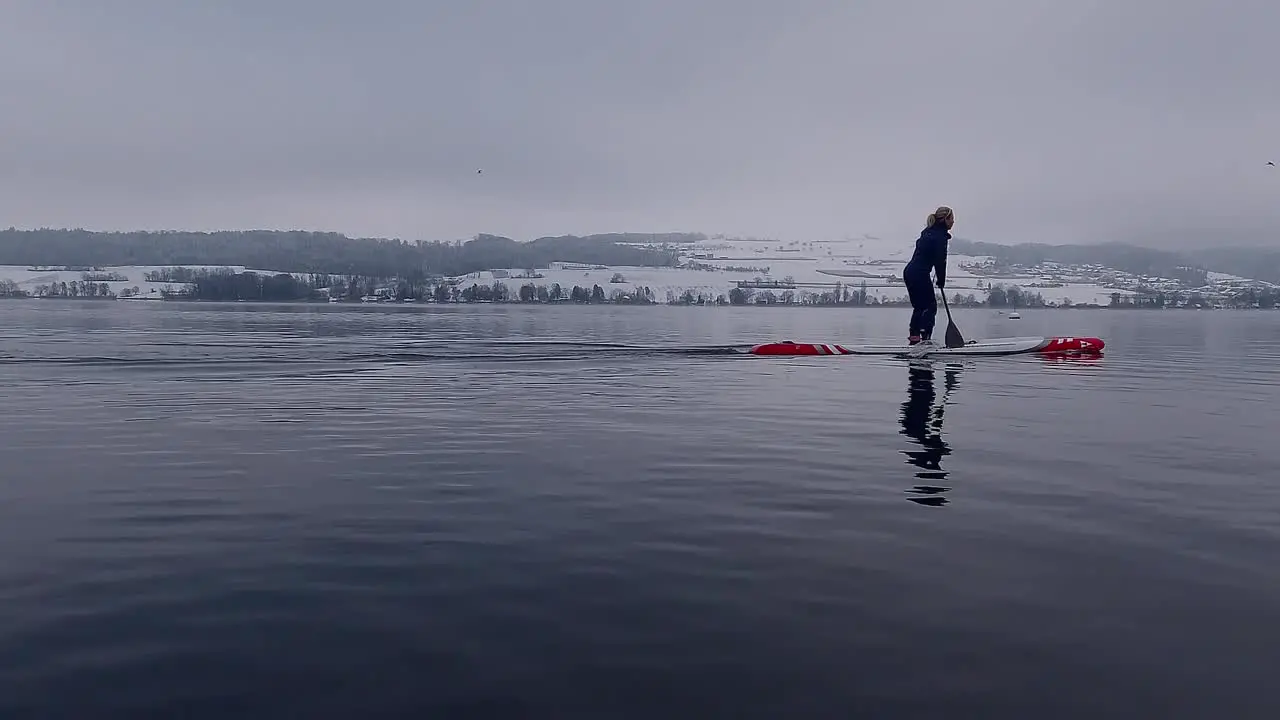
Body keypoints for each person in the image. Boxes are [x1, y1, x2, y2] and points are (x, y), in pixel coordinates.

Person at [902, 206, 953, 345]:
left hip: (910, 272)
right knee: (930, 307)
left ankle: (914, 339)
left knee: (919, 307)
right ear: (945, 220)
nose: (953, 222)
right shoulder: (939, 236)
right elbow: (940, 260)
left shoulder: (928, 233)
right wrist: (941, 280)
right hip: (919, 274)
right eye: (952, 219)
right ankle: (925, 340)